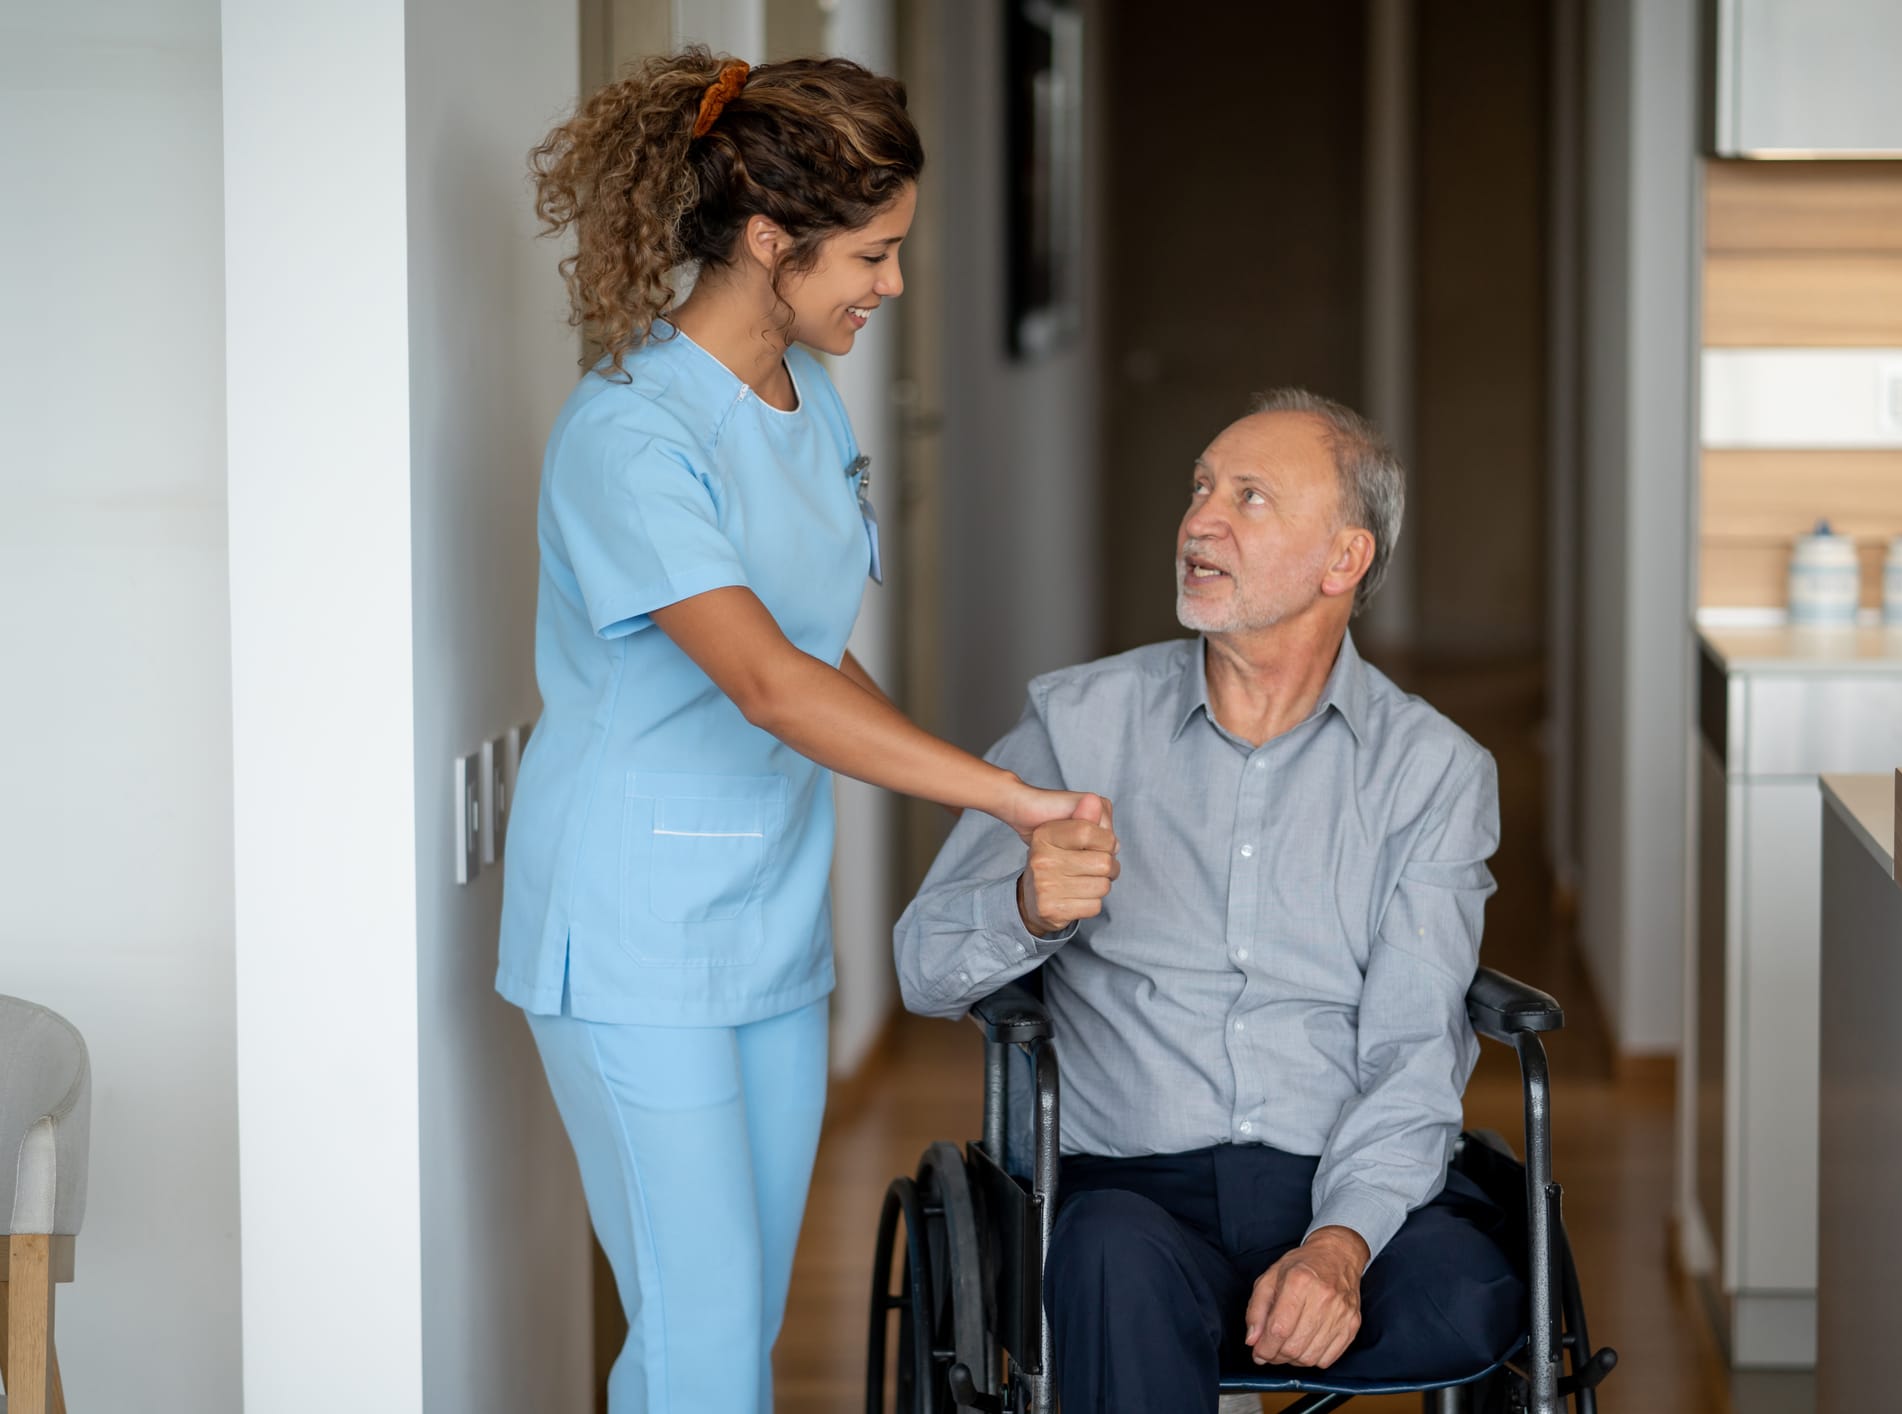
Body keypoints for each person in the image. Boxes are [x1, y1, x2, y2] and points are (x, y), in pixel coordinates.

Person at [497, 48, 1101, 1414]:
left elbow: (820, 655)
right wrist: (1007, 797)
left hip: (766, 917)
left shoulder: (804, 395)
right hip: (632, 928)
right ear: (771, 241)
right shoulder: (630, 433)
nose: (891, 285)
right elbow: (765, 681)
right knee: (702, 1335)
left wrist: (978, 800)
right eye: (870, 256)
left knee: (732, 1321)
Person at [894, 390, 1526, 1413]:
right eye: (1199, 488)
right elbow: (920, 965)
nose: (1198, 520)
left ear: (1342, 561)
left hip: (1342, 1178)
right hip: (1133, 1192)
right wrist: (1026, 906)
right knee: (1101, 1267)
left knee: (1474, 1298)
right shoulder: (1079, 721)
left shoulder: (1432, 772)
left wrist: (1337, 1242)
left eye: (1249, 497)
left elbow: (1414, 1048)